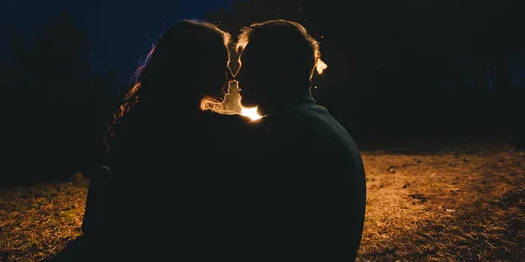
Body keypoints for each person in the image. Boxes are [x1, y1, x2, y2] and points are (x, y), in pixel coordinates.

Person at [81, 19, 248, 260]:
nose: (231, 76)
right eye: (223, 65)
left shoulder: (137, 123)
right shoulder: (222, 129)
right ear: (195, 68)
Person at [235, 19, 367, 261]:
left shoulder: (278, 133)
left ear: (278, 69)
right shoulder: (323, 125)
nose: (236, 76)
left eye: (248, 65)